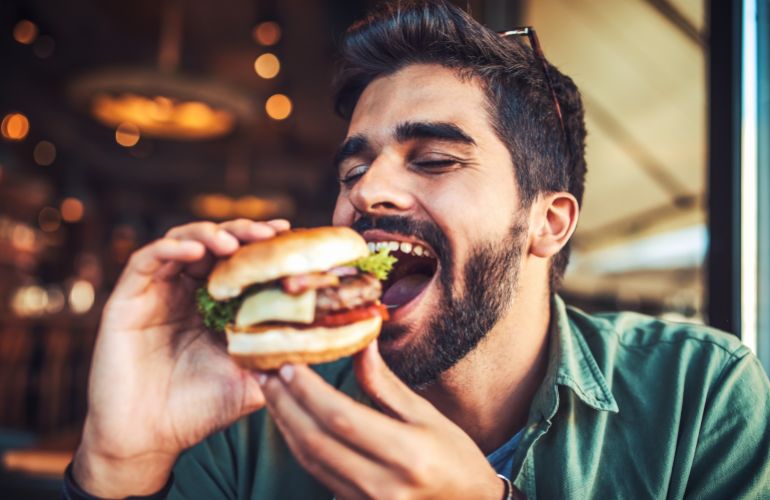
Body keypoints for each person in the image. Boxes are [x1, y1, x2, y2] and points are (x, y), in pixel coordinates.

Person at [65, 1, 770, 499]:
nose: (367, 191)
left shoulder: (698, 395)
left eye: (432, 159)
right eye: (351, 170)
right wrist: (121, 464)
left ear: (547, 223)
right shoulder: (244, 405)